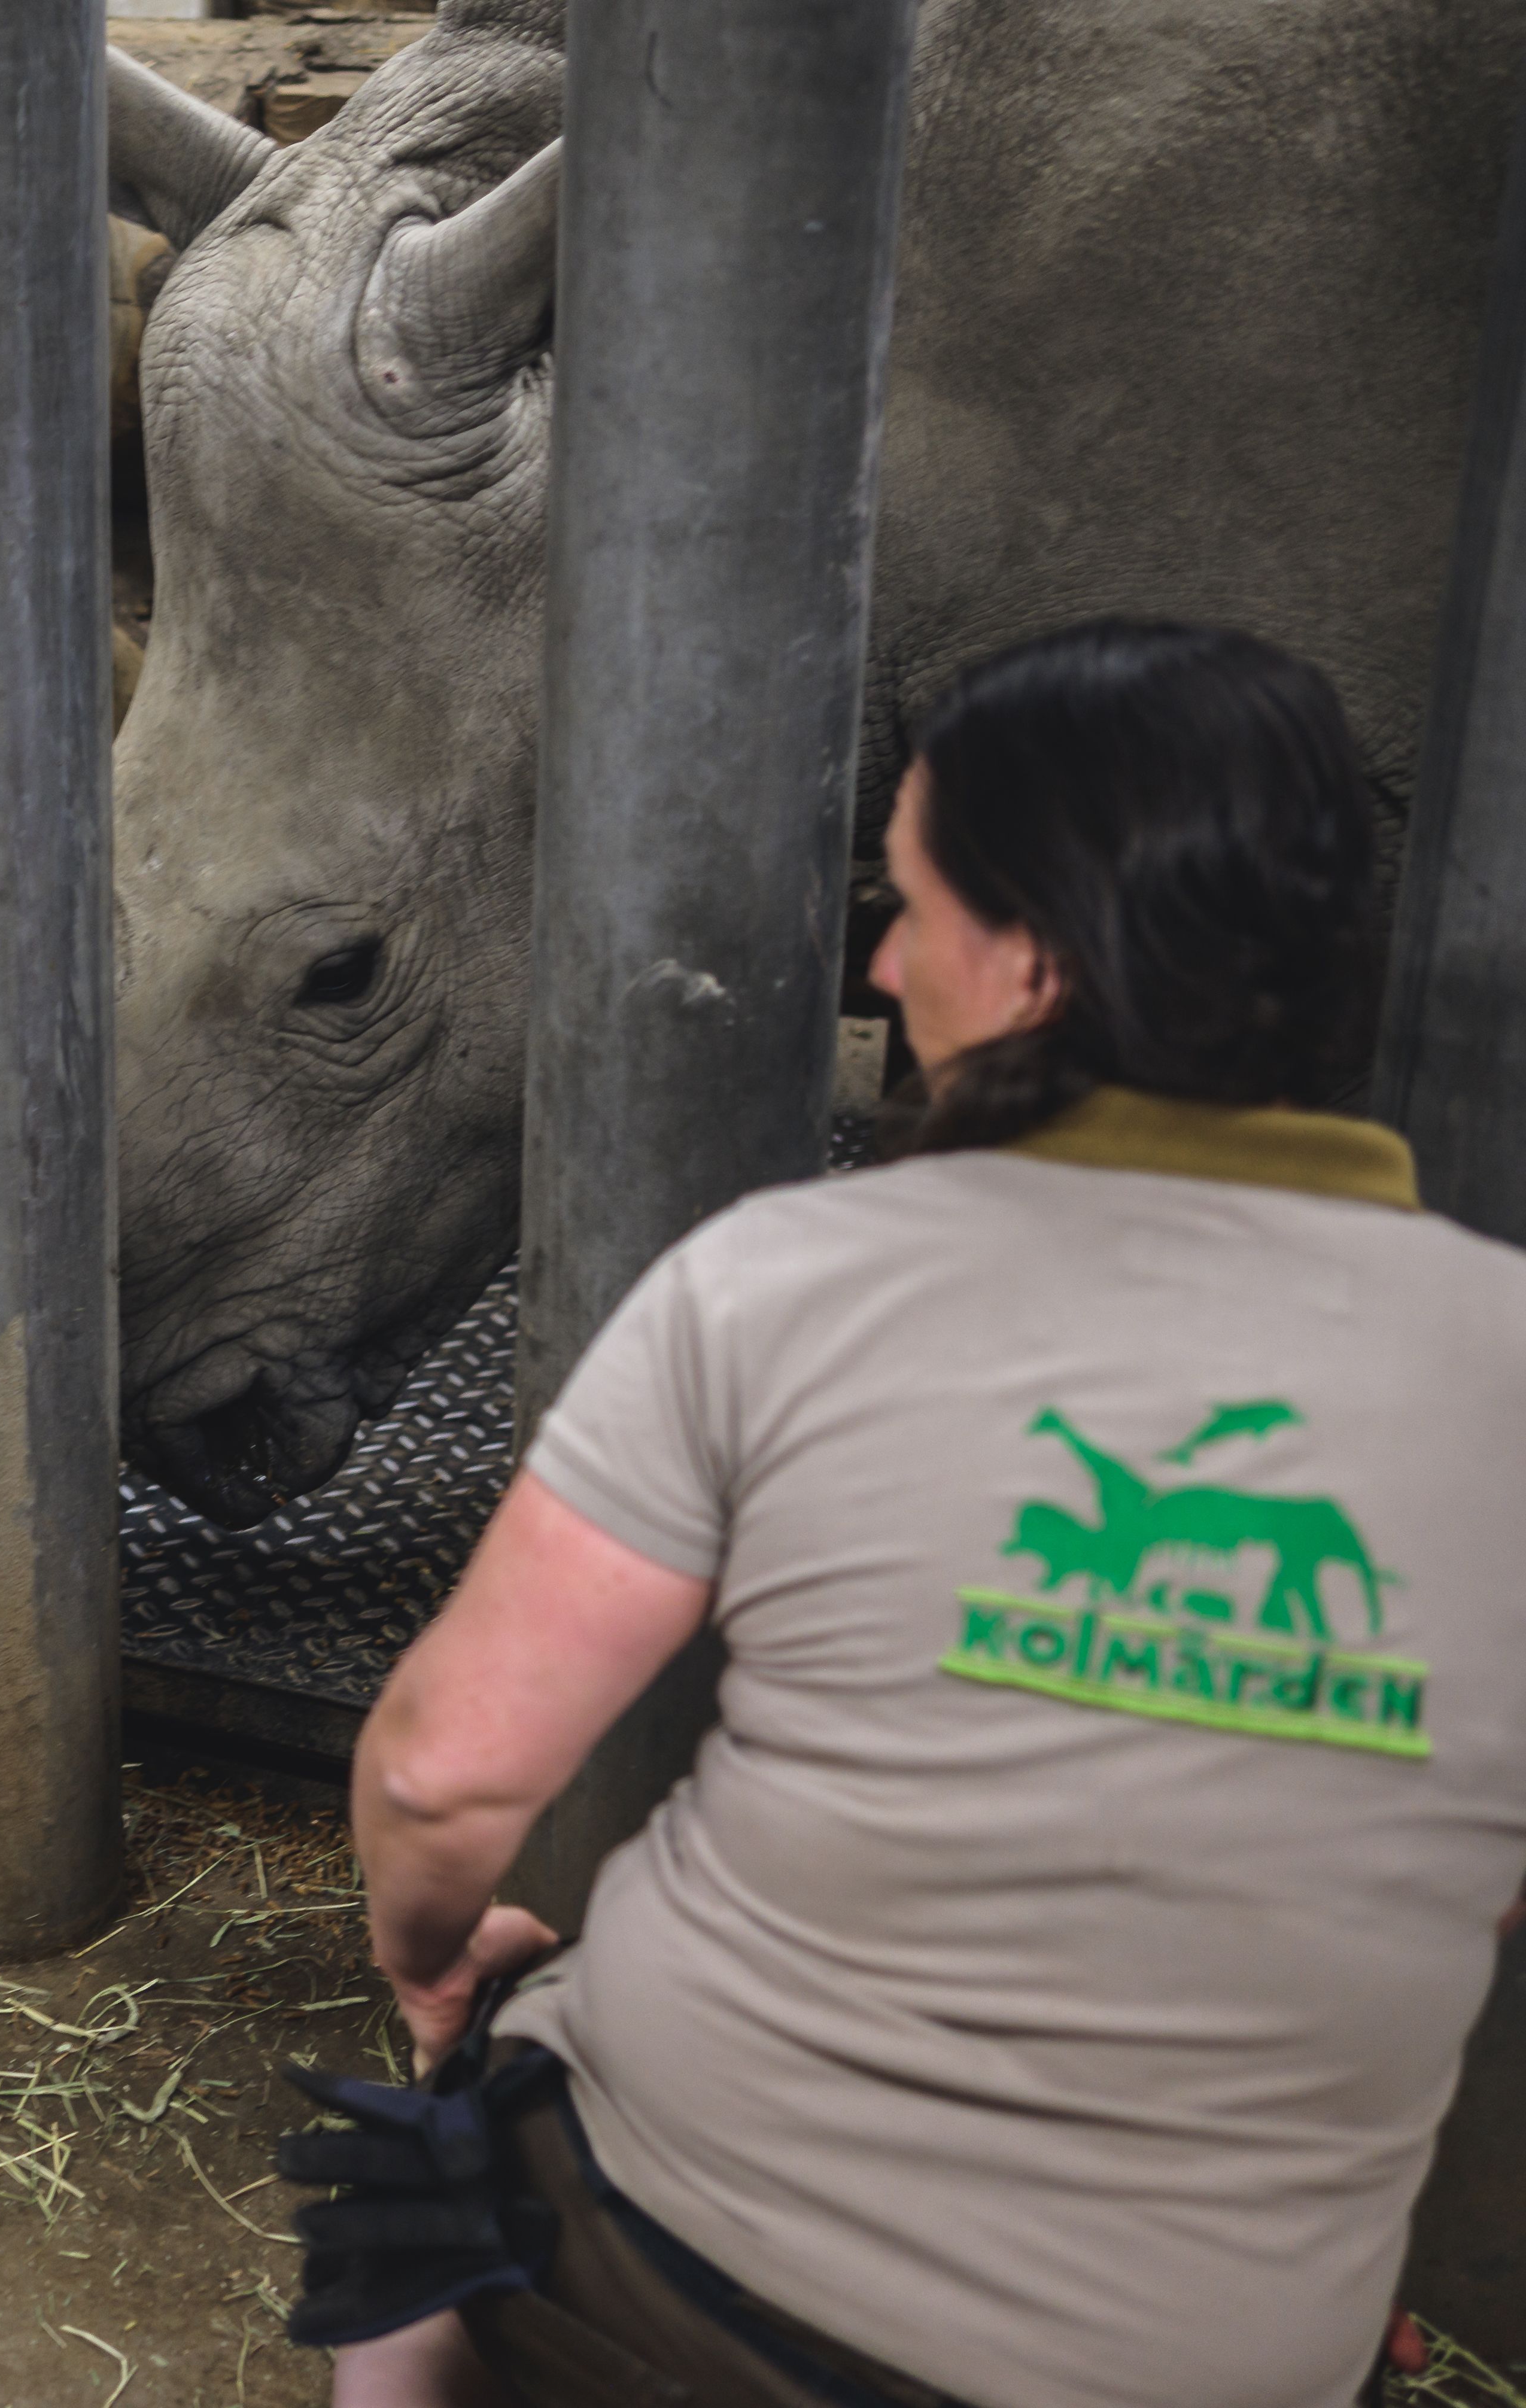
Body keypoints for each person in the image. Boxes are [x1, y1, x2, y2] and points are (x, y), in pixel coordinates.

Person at [332, 621, 1526, 2408]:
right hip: (1232, 2357)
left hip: (689, 2273)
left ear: (1040, 957)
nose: (881, 965)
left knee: (400, 2229)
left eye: (911, 905)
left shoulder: (780, 1280)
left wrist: (435, 1977)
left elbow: (443, 1772)